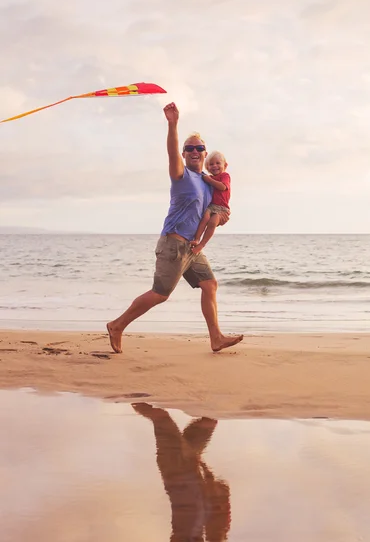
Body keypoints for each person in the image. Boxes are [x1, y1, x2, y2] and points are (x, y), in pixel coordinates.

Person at [106, 102, 243, 354]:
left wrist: (221, 217)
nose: (194, 151)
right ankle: (117, 325)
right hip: (174, 244)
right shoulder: (181, 175)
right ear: (184, 154)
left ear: (205, 153)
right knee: (160, 294)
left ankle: (216, 338)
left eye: (199, 148)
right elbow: (171, 154)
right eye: (189, 148)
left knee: (210, 285)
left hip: (192, 247)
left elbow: (214, 210)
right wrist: (172, 124)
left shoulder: (207, 182)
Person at [133, 402, 231, 541]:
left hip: (190, 484)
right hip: (181, 480)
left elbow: (218, 530)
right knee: (161, 420)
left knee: (205, 425)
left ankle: (203, 427)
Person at [191, 151, 230, 255]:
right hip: (211, 206)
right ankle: (197, 239)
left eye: (218, 163)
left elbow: (222, 187)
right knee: (204, 218)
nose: (215, 166)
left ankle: (201, 245)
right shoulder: (209, 178)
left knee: (213, 222)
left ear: (225, 165)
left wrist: (209, 180)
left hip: (222, 208)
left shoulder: (225, 175)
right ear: (207, 167)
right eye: (211, 164)